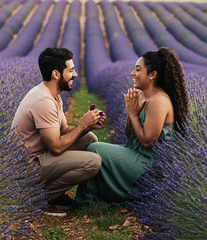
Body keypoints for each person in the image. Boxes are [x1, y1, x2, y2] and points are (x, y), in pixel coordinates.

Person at [75, 47, 190, 206]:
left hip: (149, 164)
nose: (132, 73)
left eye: (137, 70)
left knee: (95, 149)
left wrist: (133, 114)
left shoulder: (159, 101)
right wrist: (132, 113)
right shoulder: (145, 97)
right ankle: (92, 198)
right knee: (94, 147)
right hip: (137, 154)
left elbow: (148, 142)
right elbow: (131, 136)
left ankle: (90, 200)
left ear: (152, 75)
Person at [11, 48, 107, 214]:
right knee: (93, 162)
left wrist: (89, 125)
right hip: (28, 167)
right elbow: (56, 147)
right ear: (56, 74)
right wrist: (83, 124)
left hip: (41, 156)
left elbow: (63, 130)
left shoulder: (53, 94)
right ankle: (39, 197)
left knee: (89, 138)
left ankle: (55, 193)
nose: (75, 74)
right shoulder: (44, 101)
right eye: (70, 70)